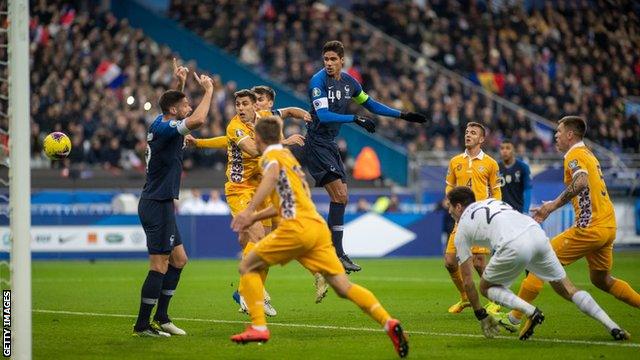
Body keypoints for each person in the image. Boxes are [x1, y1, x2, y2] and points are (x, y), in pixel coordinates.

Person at [229, 117, 409, 358]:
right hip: (316, 227)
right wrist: (255, 217)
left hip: (295, 227)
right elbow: (288, 201)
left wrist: (249, 211)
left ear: (258, 139)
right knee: (344, 287)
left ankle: (259, 326)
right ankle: (389, 323)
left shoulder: (270, 158)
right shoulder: (290, 160)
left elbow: (270, 177)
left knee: (247, 265)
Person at [446, 186, 630, 341]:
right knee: (567, 289)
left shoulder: (461, 229)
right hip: (536, 233)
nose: (449, 212)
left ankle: (530, 311)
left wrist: (481, 315)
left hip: (512, 244)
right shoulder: (493, 202)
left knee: (485, 287)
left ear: (459, 207)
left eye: (450, 208)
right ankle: (613, 326)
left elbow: (468, 281)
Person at [306, 40, 427, 273]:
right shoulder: (318, 81)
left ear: (343, 60)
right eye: (326, 59)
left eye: (333, 59)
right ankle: (335, 253)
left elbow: (371, 105)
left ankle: (333, 252)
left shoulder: (350, 83)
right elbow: (323, 115)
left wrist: (403, 115)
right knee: (340, 195)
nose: (329, 64)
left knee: (341, 198)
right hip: (316, 143)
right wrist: (355, 119)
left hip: (329, 144)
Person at [507, 116, 640, 326]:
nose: (556, 136)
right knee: (601, 280)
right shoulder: (587, 153)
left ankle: (513, 318)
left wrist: (552, 206)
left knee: (541, 260)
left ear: (570, 135)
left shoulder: (574, 154)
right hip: (607, 226)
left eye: (558, 132)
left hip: (591, 228)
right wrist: (553, 202)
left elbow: (581, 182)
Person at [132, 61, 214, 337]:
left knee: (179, 260)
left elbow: (174, 109)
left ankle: (163, 317)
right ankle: (143, 325)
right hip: (156, 204)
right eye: (185, 103)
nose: (189, 106)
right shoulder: (167, 129)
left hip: (161, 202)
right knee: (159, 265)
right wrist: (209, 91)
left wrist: (179, 84)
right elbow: (198, 120)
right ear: (174, 111)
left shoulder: (161, 121)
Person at [444, 122, 502, 314]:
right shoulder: (455, 162)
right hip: (460, 220)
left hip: (480, 220)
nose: (468, 135)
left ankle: (495, 300)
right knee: (450, 261)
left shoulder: (491, 164)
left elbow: (496, 191)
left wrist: (494, 213)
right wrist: (449, 202)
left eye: (473, 133)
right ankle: (465, 297)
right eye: (467, 132)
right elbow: (449, 186)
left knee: (478, 262)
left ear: (482, 139)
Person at [184, 85, 310, 150]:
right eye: (254, 100)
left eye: (260, 100)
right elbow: (231, 141)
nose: (257, 104)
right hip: (245, 182)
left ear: (270, 103)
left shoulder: (269, 116)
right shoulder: (237, 124)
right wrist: (285, 142)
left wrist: (308, 116)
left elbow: (290, 111)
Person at [498, 141, 532, 213]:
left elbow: (527, 190)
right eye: (502, 148)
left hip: (517, 211)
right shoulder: (496, 167)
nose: (504, 151)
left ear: (514, 150)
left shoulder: (523, 167)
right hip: (500, 211)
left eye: (508, 148)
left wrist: (525, 211)